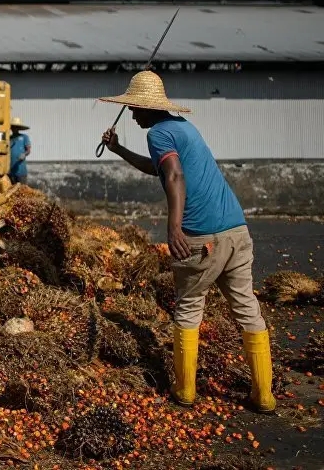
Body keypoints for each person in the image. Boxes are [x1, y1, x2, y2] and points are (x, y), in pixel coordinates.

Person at [98, 70, 276, 414]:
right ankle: (264, 396)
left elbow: (174, 175)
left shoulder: (158, 133)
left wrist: (174, 228)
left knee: (190, 307)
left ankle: (185, 391)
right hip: (236, 230)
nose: (132, 114)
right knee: (246, 308)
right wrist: (118, 149)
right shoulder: (183, 128)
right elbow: (159, 168)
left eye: (134, 108)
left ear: (147, 107)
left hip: (202, 236)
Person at [8, 117, 31, 184]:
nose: (14, 128)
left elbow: (28, 150)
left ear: (19, 128)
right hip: (10, 170)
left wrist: (24, 154)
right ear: (11, 128)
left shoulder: (24, 137)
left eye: (16, 127)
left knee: (22, 188)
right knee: (11, 188)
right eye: (13, 127)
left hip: (21, 170)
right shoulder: (9, 138)